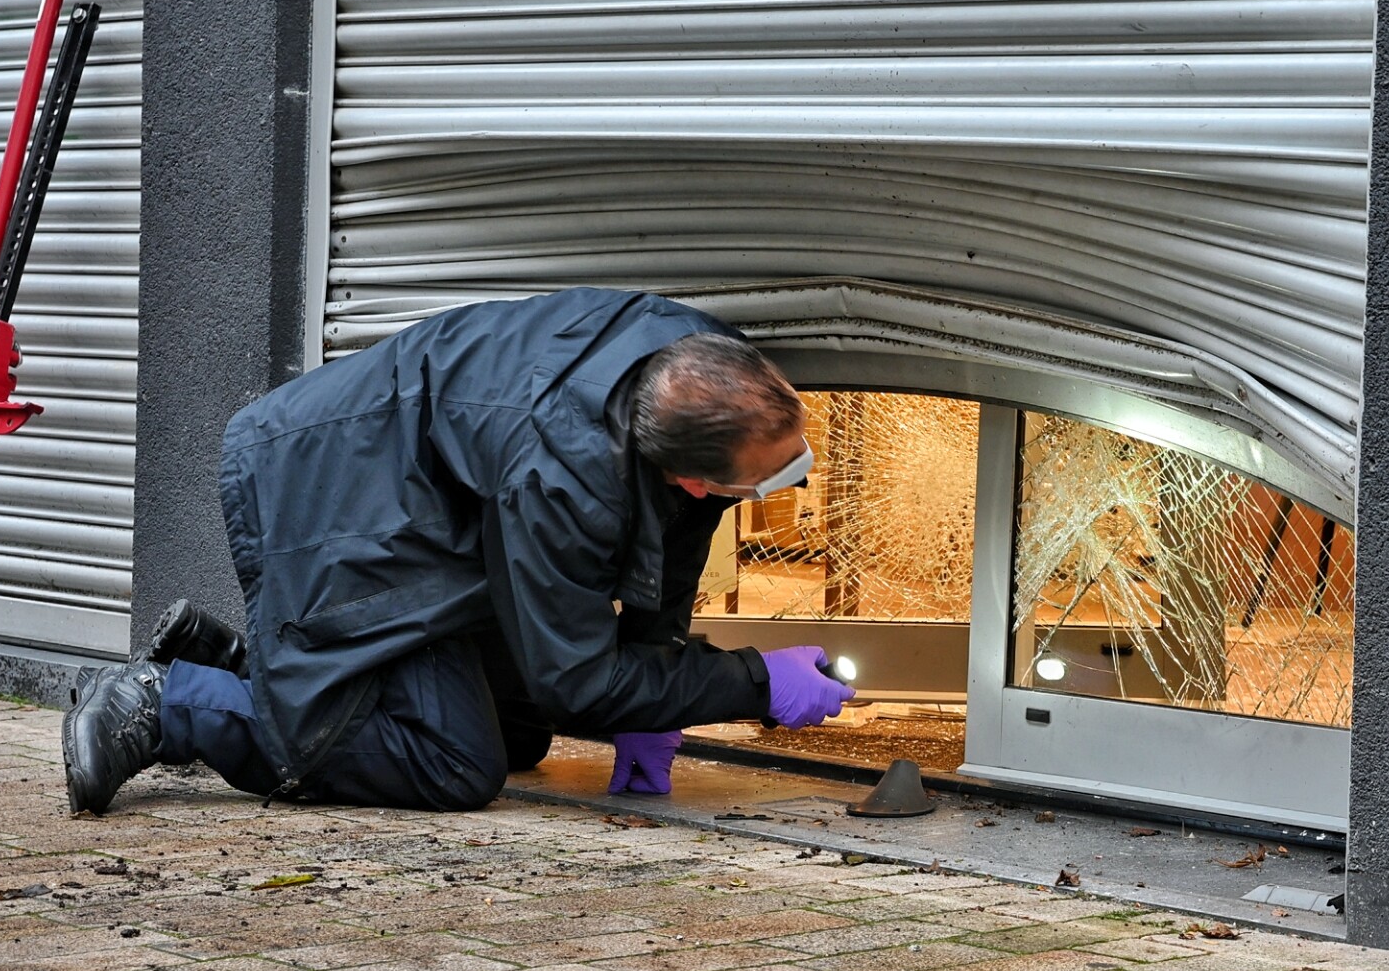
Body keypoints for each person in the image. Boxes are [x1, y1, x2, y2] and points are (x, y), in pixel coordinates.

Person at [61, 288, 855, 815]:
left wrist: (661, 666)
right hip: (341, 500)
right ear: (689, 475)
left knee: (518, 737)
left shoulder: (705, 371)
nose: (788, 479)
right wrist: (751, 683)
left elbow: (675, 534)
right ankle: (168, 702)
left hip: (444, 504)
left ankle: (252, 665)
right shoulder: (568, 473)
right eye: (759, 483)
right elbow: (578, 680)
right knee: (452, 762)